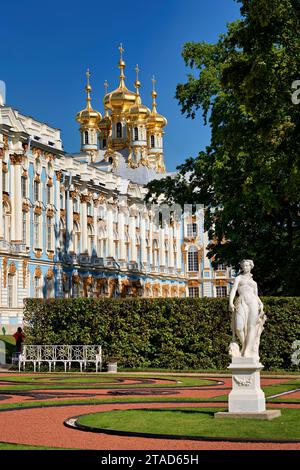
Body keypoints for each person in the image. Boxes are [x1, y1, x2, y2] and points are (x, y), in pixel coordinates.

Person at [229, 259, 266, 359]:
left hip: (253, 302)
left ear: (250, 267)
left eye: (247, 266)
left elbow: (256, 295)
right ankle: (245, 346)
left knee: (251, 327)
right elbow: (233, 290)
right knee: (238, 328)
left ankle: (246, 351)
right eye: (243, 266)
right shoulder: (238, 278)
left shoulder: (254, 282)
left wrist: (261, 303)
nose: (245, 267)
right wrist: (230, 302)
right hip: (241, 301)